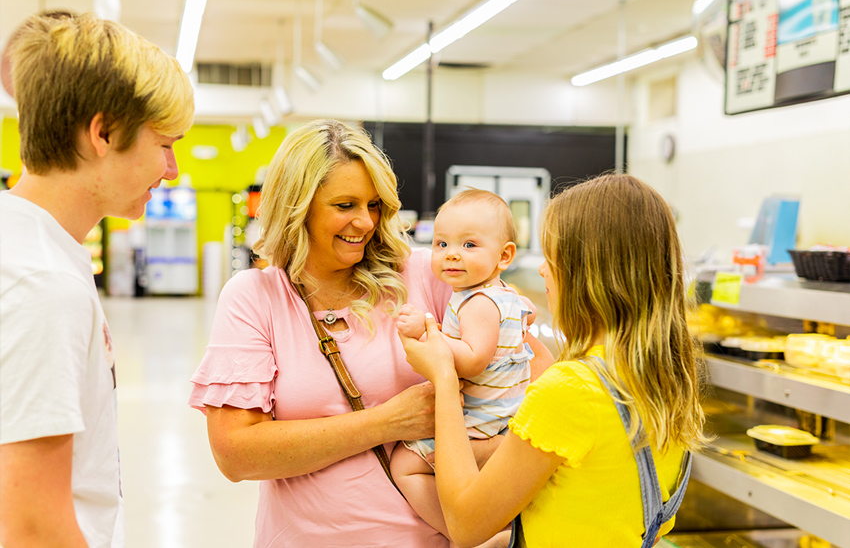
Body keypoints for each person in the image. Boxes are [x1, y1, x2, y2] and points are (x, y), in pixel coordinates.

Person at [188, 119, 553, 548]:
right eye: (345, 205)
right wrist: (387, 423)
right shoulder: (255, 297)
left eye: (375, 204)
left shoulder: (430, 274)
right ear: (297, 206)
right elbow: (235, 454)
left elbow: (536, 383)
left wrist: (475, 455)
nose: (364, 222)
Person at [399, 174, 708, 548]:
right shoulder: (665, 377)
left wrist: (443, 377)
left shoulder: (568, 390)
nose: (543, 270)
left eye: (553, 257)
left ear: (590, 271)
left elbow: (465, 527)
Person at [0, 12, 193, 548]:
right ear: (103, 132)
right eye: (165, 144)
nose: (172, 169)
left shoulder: (31, 248)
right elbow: (32, 528)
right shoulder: (41, 284)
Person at [393, 188, 536, 538]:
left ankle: (470, 535)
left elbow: (472, 359)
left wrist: (429, 335)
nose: (452, 255)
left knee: (405, 465)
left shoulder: (479, 302)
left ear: (504, 256)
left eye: (469, 246)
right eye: (441, 245)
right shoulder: (502, 294)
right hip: (502, 412)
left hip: (484, 418)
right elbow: (521, 322)